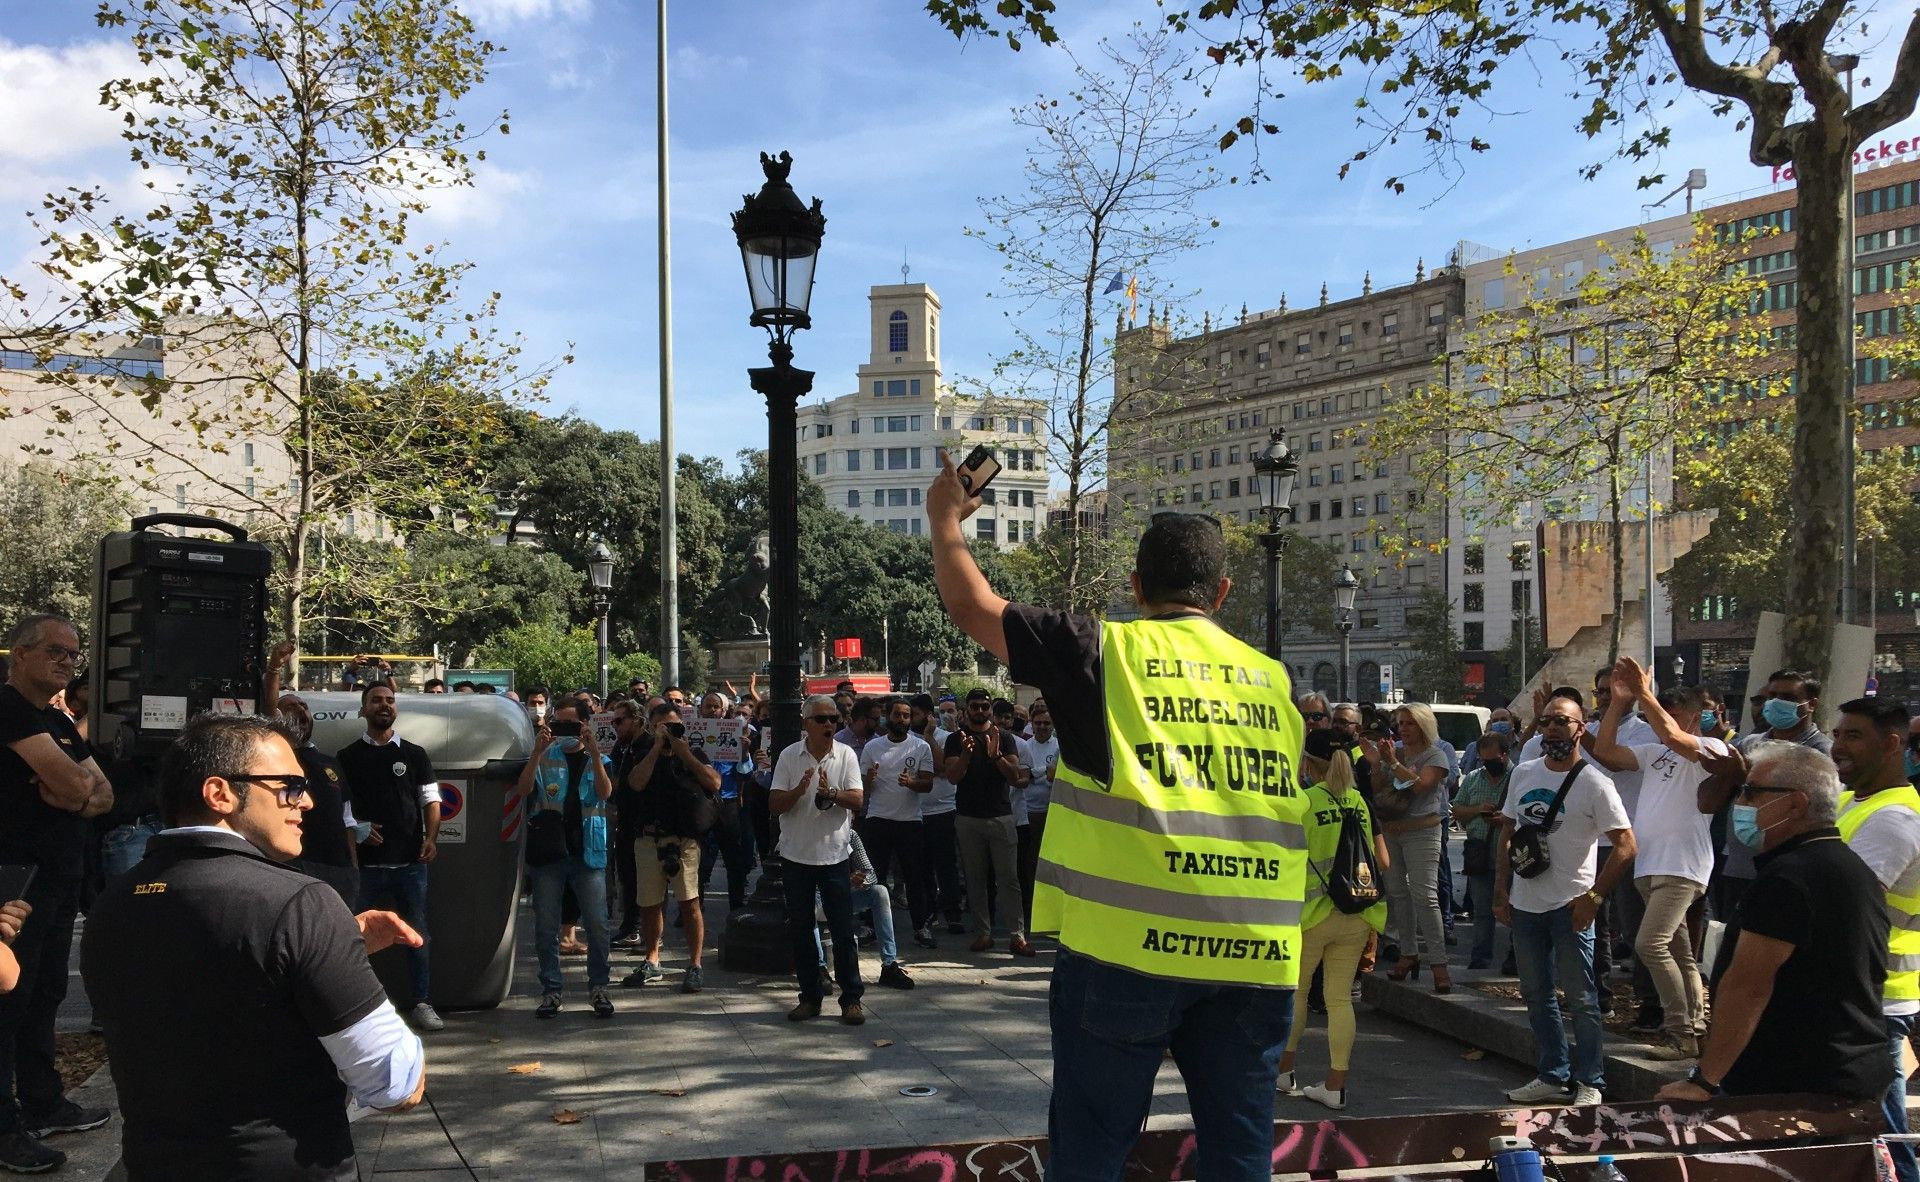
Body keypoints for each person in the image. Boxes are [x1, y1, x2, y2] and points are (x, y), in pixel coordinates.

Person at [930, 474, 1308, 1182]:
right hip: (1257, 959)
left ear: (1135, 585)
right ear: (1222, 595)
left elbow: (969, 603)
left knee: (1093, 1150)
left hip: (1127, 954)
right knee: (1240, 1154)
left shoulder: (1100, 652)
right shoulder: (1274, 680)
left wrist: (944, 517)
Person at [83, 713, 427, 1180]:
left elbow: (203, 993)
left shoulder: (110, 906)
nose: (305, 801)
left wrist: (333, 952)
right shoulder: (300, 903)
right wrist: (326, 949)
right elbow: (394, 1084)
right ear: (220, 793)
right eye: (287, 785)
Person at [1656, 743, 1892, 1107]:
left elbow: (1748, 986)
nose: (1741, 802)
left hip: (1794, 1085)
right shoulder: (1847, 866)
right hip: (1844, 1074)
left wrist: (1704, 1080)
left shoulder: (1789, 879)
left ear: (1795, 804)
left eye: (1751, 792)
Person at [0, 614, 114, 1173]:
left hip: (58, 879)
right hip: (15, 886)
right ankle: (4, 1128)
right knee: (6, 1002)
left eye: (73, 655)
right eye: (55, 652)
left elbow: (103, 795)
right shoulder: (9, 710)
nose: (68, 662)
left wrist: (71, 790)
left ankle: (44, 1103)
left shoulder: (59, 722)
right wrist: (73, 789)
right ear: (20, 654)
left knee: (42, 997)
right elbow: (78, 786)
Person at [1496, 693, 1635, 1106]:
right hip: (1525, 904)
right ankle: (1552, 1074)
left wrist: (1594, 897)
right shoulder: (1523, 773)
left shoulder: (1595, 782)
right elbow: (1508, 831)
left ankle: (1590, 1080)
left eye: (1562, 721)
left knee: (1582, 999)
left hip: (1571, 907)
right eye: (1546, 722)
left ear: (1582, 727)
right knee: (1535, 994)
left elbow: (1626, 846)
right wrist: (1502, 890)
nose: (1552, 729)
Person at [1591, 660, 1723, 1060]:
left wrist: (1643, 694)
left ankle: (1679, 1032)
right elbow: (1605, 751)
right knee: (1679, 953)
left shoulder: (1712, 748)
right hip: (1650, 866)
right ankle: (1695, 1028)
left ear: (1694, 717)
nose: (1659, 723)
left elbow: (1671, 733)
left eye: (1671, 713)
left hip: (1682, 866)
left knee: (1651, 943)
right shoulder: (1653, 752)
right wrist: (1617, 702)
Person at [1828, 696, 1920, 1182]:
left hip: (1876, 1001)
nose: (1838, 745)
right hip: (1860, 995)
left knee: (1879, 1131)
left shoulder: (1895, 819)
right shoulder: (1852, 802)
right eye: (1838, 734)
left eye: (1853, 736)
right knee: (1869, 1129)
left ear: (1891, 745)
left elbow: (1844, 909)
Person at [1277, 735, 1387, 1110]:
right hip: (1357, 913)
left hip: (1311, 916)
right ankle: (1335, 1084)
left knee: (1298, 995)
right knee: (1340, 1000)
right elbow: (1381, 860)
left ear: (1308, 764)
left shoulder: (1305, 801)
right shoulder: (1359, 802)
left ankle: (1284, 1071)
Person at [338, 683, 444, 1032]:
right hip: (365, 870)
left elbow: (431, 801)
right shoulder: (347, 757)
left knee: (417, 935)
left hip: (410, 868)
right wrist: (358, 831)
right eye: (376, 701)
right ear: (363, 708)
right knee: (354, 937)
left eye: (389, 700)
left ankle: (421, 1003)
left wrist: (431, 838)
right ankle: (354, 1006)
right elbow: (343, 812)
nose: (384, 705)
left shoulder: (415, 754)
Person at [1703, 671, 1830, 935]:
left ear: (1812, 704)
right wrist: (1729, 773)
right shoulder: (1749, 744)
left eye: (1788, 697)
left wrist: (1745, 777)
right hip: (1738, 867)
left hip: (1790, 872)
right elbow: (1706, 802)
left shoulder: (1821, 753)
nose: (1774, 704)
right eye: (1770, 697)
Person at [771, 694, 868, 1024]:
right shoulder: (788, 756)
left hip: (835, 856)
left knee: (843, 932)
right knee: (801, 930)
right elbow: (773, 804)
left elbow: (857, 799)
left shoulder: (846, 755)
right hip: (796, 856)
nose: (830, 725)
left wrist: (831, 794)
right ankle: (810, 997)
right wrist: (799, 791)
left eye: (834, 720)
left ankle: (851, 999)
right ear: (806, 723)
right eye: (822, 719)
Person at [516, 702, 615, 1020]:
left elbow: (605, 792)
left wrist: (596, 754)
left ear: (586, 725)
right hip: (550, 854)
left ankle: (599, 987)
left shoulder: (599, 758)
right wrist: (536, 752)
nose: (564, 732)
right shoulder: (545, 757)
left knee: (598, 926)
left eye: (570, 725)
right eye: (559, 725)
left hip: (588, 853)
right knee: (546, 927)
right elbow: (523, 790)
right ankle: (551, 991)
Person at [621, 699, 720, 993]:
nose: (669, 732)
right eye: (662, 727)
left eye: (675, 726)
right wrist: (655, 749)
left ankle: (695, 964)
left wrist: (684, 752)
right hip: (649, 838)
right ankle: (652, 960)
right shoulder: (640, 751)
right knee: (650, 904)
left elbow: (713, 783)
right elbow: (635, 783)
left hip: (685, 841)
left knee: (690, 904)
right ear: (652, 728)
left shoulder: (693, 752)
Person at [944, 688, 1033, 957]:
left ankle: (1017, 935)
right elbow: (952, 777)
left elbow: (1015, 777)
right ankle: (983, 932)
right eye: (975, 706)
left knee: (1009, 879)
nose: (980, 711)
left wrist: (996, 757)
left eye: (984, 706)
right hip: (968, 818)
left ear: (990, 709)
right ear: (966, 710)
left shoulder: (1004, 738)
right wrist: (967, 756)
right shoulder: (954, 740)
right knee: (975, 879)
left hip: (1001, 817)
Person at [1370, 703, 1452, 992]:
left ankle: (1439, 964)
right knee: (1397, 895)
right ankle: (1408, 954)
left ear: (1424, 725)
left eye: (1409, 723)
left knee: (1425, 897)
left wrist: (1392, 763)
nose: (1403, 728)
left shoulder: (1436, 754)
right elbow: (1379, 787)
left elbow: (1419, 786)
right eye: (1400, 723)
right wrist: (1376, 762)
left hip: (1423, 832)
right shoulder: (1396, 750)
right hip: (1392, 832)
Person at [858, 697, 937, 948]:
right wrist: (869, 779)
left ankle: (920, 927)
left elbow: (928, 784)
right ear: (887, 717)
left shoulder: (921, 747)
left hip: (909, 822)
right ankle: (870, 926)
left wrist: (911, 783)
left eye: (906, 715)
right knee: (875, 877)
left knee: (915, 877)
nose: (901, 720)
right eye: (897, 715)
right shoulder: (872, 747)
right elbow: (861, 787)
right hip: (877, 820)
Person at [1452, 731, 1511, 970]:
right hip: (1479, 852)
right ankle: (1480, 959)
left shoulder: (1518, 777)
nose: (1488, 765)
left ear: (1504, 756)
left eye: (1493, 760)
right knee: (1482, 910)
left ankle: (1516, 959)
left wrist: (1505, 819)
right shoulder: (1475, 778)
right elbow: (1456, 809)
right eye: (1484, 760)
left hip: (1510, 854)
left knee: (1517, 909)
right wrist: (1478, 810)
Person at [694, 692, 755, 912]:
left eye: (716, 707)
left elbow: (746, 774)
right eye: (707, 706)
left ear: (723, 710)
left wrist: (745, 752)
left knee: (734, 858)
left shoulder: (734, 734)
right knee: (698, 858)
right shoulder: (693, 733)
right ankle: (692, 907)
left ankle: (737, 905)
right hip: (700, 802)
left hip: (727, 802)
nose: (711, 710)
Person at [912, 693, 966, 935]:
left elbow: (942, 767)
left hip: (943, 809)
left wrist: (929, 738)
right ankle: (928, 912)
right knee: (921, 867)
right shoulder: (906, 741)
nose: (910, 719)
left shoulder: (947, 738)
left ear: (927, 715)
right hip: (916, 812)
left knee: (946, 865)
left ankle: (952, 912)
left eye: (914, 714)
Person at [1017, 704, 1059, 927]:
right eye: (1038, 723)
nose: (1042, 727)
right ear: (1031, 724)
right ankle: (1031, 907)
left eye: (1047, 723)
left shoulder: (1061, 746)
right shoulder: (1024, 746)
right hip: (1027, 811)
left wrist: (1037, 772)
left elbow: (1053, 776)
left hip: (1052, 812)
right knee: (1029, 863)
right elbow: (1024, 775)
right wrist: (1043, 771)